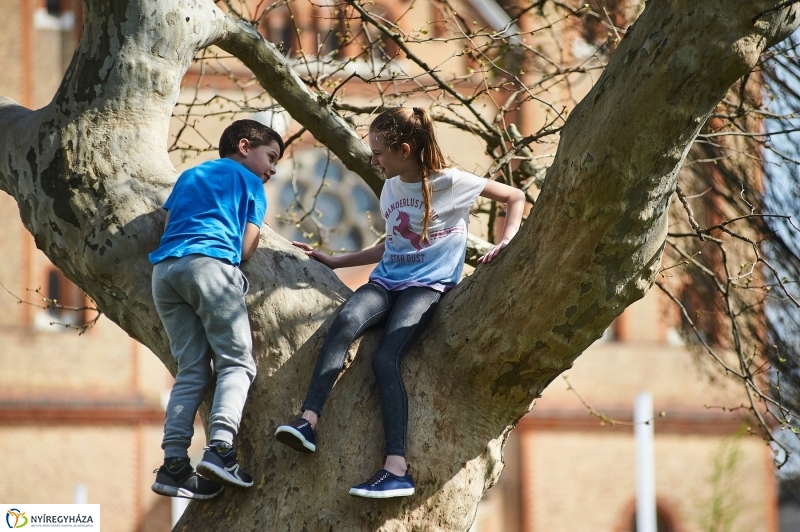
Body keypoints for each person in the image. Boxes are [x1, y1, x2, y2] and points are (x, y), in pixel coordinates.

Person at [275, 107, 525, 498]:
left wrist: (506, 242)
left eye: (378, 153)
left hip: (426, 289)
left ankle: (396, 468)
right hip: (387, 282)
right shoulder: (390, 186)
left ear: (404, 149)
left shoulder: (452, 182)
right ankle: (308, 420)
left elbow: (515, 195)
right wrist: (337, 259)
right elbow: (392, 246)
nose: (373, 160)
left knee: (385, 357)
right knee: (343, 322)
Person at [149, 119, 284, 500]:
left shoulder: (191, 174)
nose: (272, 169)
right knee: (237, 362)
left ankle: (174, 464)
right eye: (270, 157)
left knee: (191, 368)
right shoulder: (251, 184)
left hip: (166, 272)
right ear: (245, 146)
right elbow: (245, 248)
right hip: (211, 267)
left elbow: (170, 224)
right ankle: (221, 448)